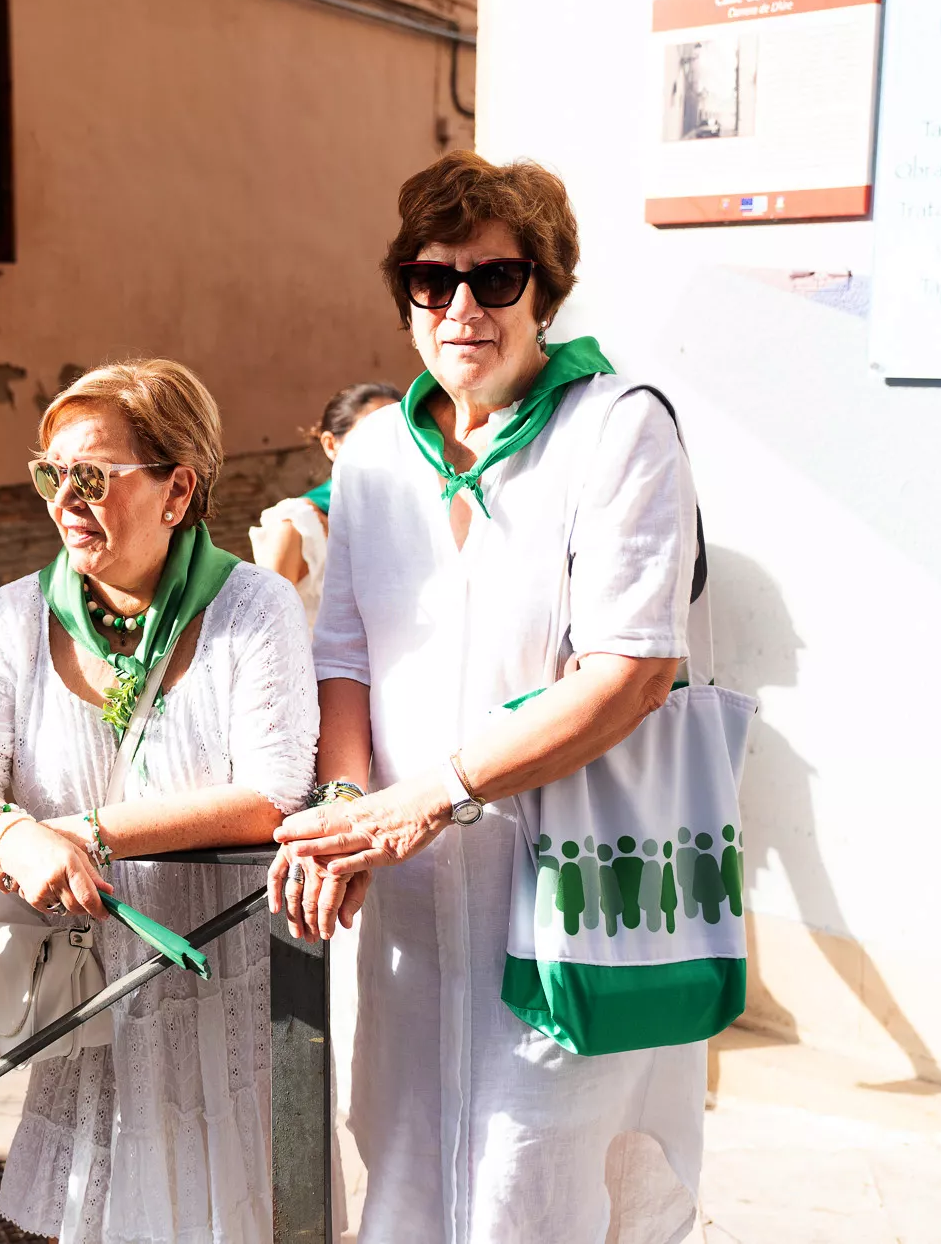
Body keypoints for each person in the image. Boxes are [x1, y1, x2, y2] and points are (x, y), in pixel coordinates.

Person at [271, 151, 706, 1243]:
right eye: (431, 280)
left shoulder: (617, 429)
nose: (460, 307)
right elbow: (344, 653)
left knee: (536, 1178)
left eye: (493, 279)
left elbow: (630, 671)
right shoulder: (374, 452)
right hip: (408, 900)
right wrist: (343, 802)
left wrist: (432, 793)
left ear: (543, 292)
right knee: (403, 1163)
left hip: (562, 888)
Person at [0, 359, 319, 1244]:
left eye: (93, 476)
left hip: (221, 1001)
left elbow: (269, 793)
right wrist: (9, 835)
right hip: (80, 1000)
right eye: (51, 475)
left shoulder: (256, 608)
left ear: (177, 491)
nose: (67, 497)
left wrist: (82, 832)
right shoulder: (15, 616)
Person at [248, 381, 399, 626]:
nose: (391, 447)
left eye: (400, 435)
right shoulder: (297, 525)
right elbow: (267, 628)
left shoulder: (408, 518)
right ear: (331, 445)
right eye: (375, 435)